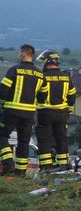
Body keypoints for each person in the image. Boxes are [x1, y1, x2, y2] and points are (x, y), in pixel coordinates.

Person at [0, 44, 48, 176]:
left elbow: (3, 90)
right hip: (29, 114)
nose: (19, 55)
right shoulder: (40, 75)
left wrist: (2, 104)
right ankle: (20, 172)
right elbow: (43, 97)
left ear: (24, 54)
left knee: (2, 136)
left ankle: (8, 164)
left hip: (11, 110)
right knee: (24, 141)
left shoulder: (14, 70)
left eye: (20, 53)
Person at [35, 49, 77, 170]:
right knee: (62, 139)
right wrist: (68, 110)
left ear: (47, 62)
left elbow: (37, 95)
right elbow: (72, 97)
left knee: (44, 140)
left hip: (46, 113)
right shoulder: (66, 78)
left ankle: (46, 167)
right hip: (63, 113)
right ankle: (63, 165)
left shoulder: (42, 77)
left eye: (43, 62)